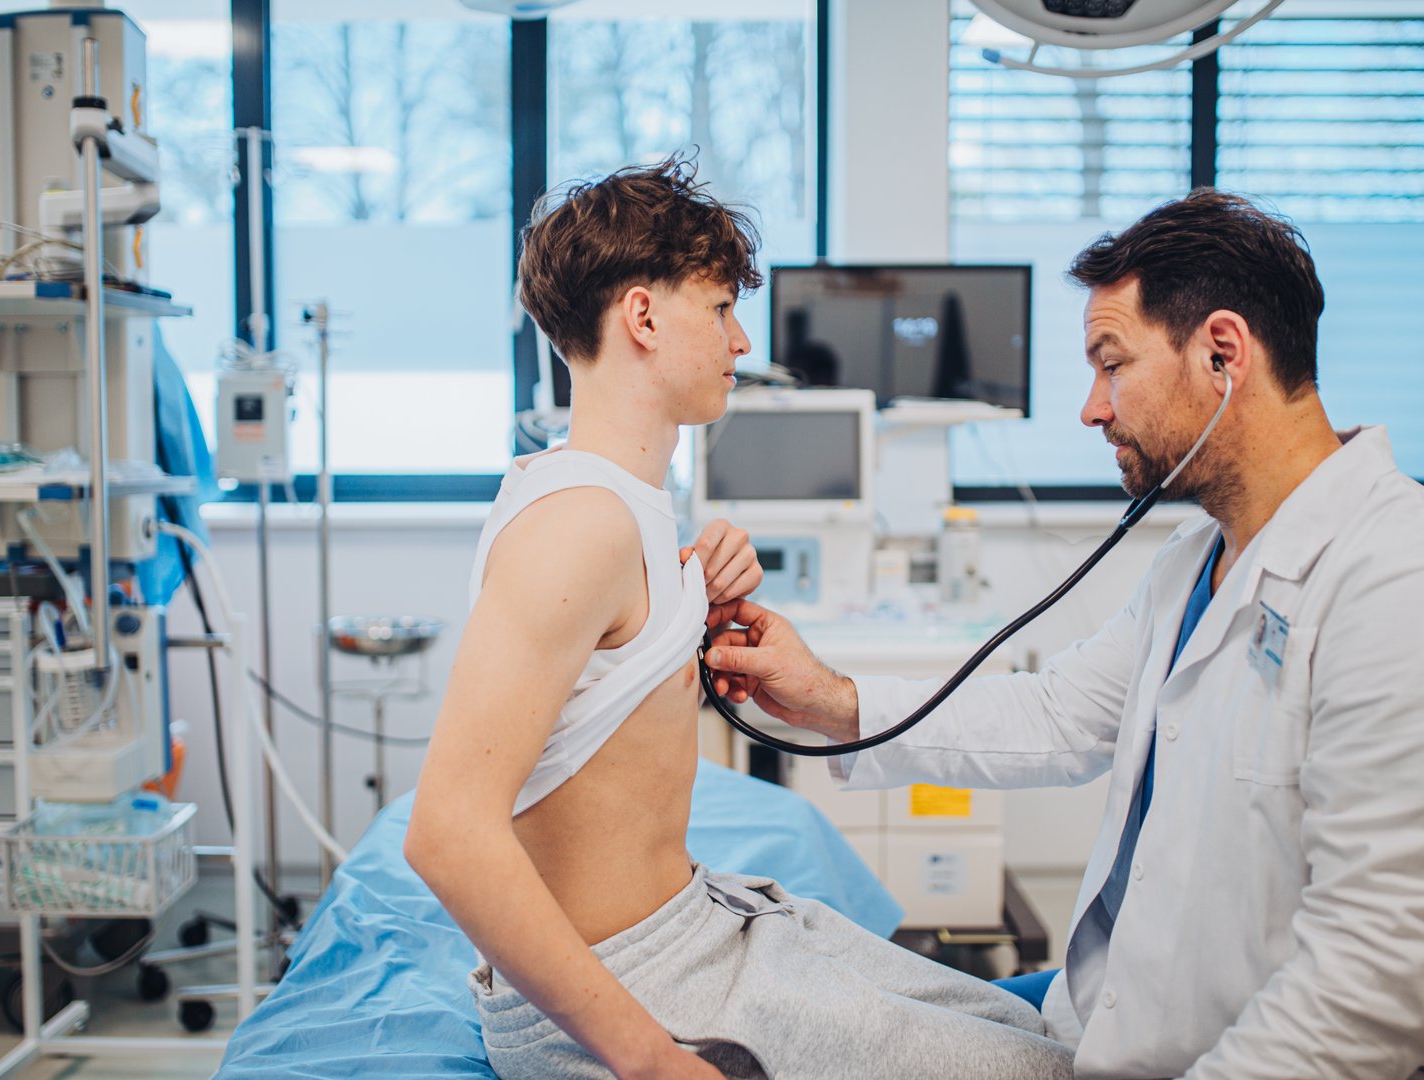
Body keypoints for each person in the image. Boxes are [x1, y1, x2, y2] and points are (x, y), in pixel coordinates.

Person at [704, 189, 1424, 1079]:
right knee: (827, 1000)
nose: (1091, 408)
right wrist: (831, 701)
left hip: (1248, 1048)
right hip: (1119, 1008)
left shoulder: (1407, 585)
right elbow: (1057, 716)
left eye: (1110, 364)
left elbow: (1376, 973)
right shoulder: (1198, 563)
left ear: (1223, 353)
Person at [403, 157, 1074, 1080]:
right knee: (1047, 1070)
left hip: (698, 926)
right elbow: (446, 830)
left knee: (1030, 1026)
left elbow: (604, 689)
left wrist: (694, 602)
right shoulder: (579, 527)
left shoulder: (626, 506)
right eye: (720, 310)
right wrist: (650, 1062)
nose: (742, 338)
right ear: (642, 316)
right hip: (642, 990)